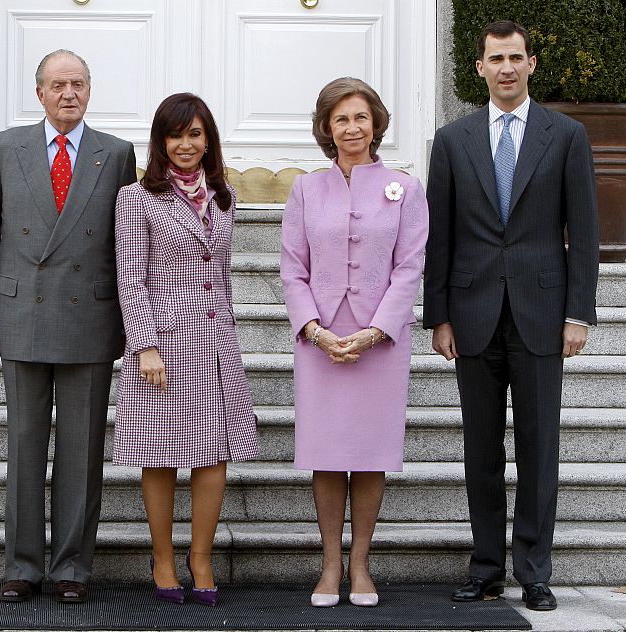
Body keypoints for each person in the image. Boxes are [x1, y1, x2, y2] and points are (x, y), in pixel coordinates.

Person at [423, 20, 599, 612]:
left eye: (515, 57)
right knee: (481, 453)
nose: (506, 68)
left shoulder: (566, 135)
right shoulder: (452, 140)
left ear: (530, 64)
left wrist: (578, 313)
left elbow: (585, 232)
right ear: (479, 67)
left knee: (539, 450)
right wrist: (438, 315)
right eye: (495, 59)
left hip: (542, 315)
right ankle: (486, 569)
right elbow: (440, 237)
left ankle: (534, 572)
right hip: (471, 314)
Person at [0, 49, 136, 604]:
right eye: (58, 85)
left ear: (90, 90)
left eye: (78, 84)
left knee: (82, 452)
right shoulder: (6, 145)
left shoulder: (116, 153)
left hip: (90, 316)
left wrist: (127, 319)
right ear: (39, 92)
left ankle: (71, 569)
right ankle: (21, 565)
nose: (69, 94)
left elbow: (124, 244)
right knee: (24, 446)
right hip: (21, 314)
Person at [281, 77, 428, 608]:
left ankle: (361, 565)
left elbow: (409, 267)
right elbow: (292, 269)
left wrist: (375, 330)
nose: (351, 128)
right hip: (320, 339)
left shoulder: (404, 188)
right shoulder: (305, 189)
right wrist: (315, 331)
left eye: (360, 117)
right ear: (326, 128)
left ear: (376, 123)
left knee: (368, 454)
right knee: (326, 453)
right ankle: (329, 565)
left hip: (379, 341)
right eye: (340, 119)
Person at [113, 93, 257, 606]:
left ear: (208, 139)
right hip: (164, 345)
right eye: (175, 135)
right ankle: (163, 559)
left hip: (216, 341)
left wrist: (228, 332)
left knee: (213, 451)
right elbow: (131, 278)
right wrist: (144, 345)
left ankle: (201, 557)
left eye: (195, 134)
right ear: (160, 141)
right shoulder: (136, 198)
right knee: (159, 452)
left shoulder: (224, 195)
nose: (185, 144)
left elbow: (221, 274)